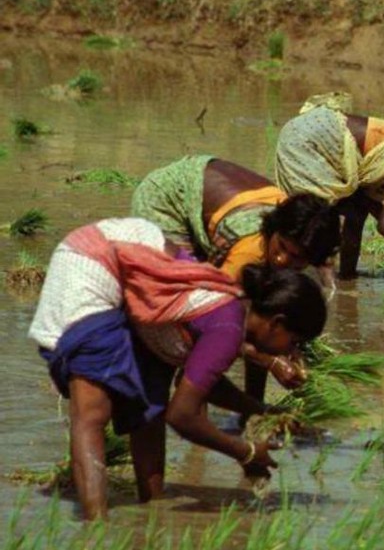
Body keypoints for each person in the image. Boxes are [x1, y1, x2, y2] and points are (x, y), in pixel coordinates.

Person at [29, 218, 327, 520]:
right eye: (294, 341)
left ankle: (153, 509)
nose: (291, 352)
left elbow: (201, 383)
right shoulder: (227, 326)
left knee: (150, 401)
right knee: (92, 413)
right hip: (92, 264)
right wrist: (245, 451)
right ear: (276, 323)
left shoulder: (230, 313)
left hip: (121, 260)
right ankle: (96, 532)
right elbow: (182, 415)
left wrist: (262, 409)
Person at [132, 155, 340, 400]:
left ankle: (249, 410)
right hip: (167, 200)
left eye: (297, 259)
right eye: (281, 247)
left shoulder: (302, 228)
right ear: (275, 229)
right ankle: (189, 405)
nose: (284, 261)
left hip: (207, 199)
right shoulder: (249, 254)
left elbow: (261, 315)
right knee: (186, 318)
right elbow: (213, 322)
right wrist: (271, 360)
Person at [274, 99, 384, 277]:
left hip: (314, 131)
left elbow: (372, 218)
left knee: (352, 215)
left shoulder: (380, 177)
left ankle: (344, 277)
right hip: (312, 139)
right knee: (314, 219)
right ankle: (298, 273)